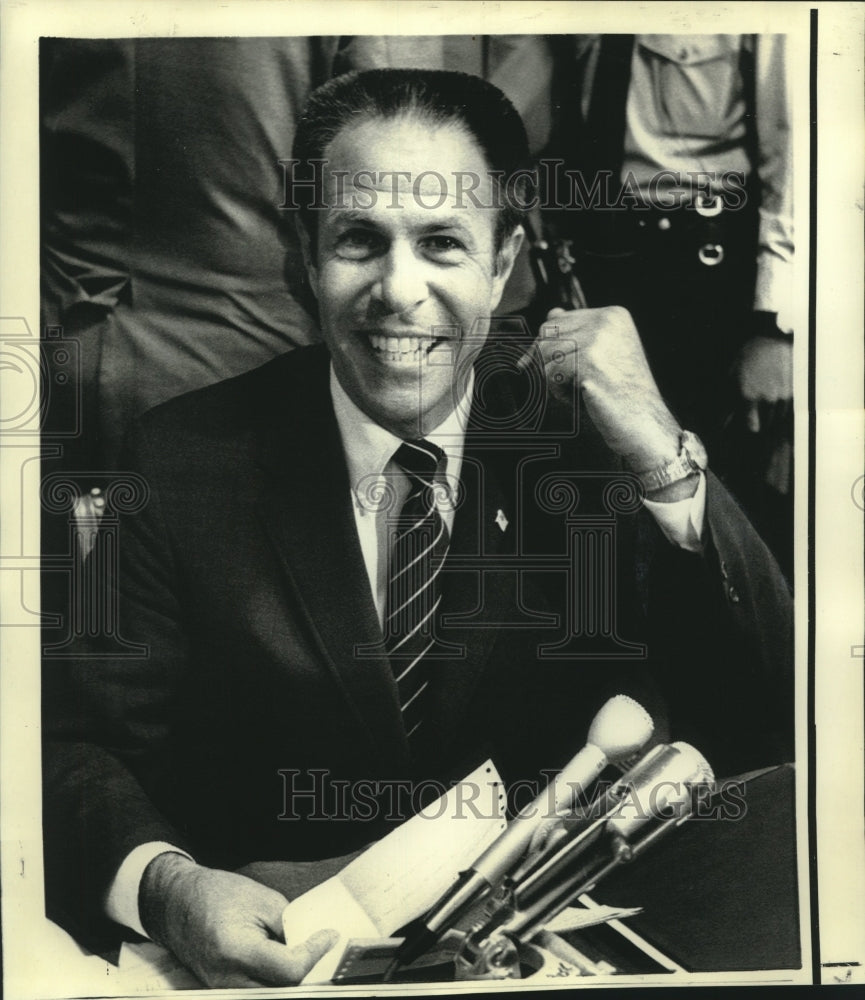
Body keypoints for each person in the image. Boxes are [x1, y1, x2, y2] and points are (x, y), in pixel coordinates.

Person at [42, 69, 793, 988]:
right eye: (359, 240)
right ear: (301, 257)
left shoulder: (588, 452)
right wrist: (164, 886)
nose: (400, 291)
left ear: (504, 259)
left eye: (442, 243)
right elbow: (71, 747)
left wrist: (658, 453)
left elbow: (770, 710)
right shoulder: (173, 458)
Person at [542, 34, 794, 576]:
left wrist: (775, 324)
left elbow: (795, 158)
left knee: (705, 494)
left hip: (703, 273)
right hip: (601, 258)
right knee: (609, 487)